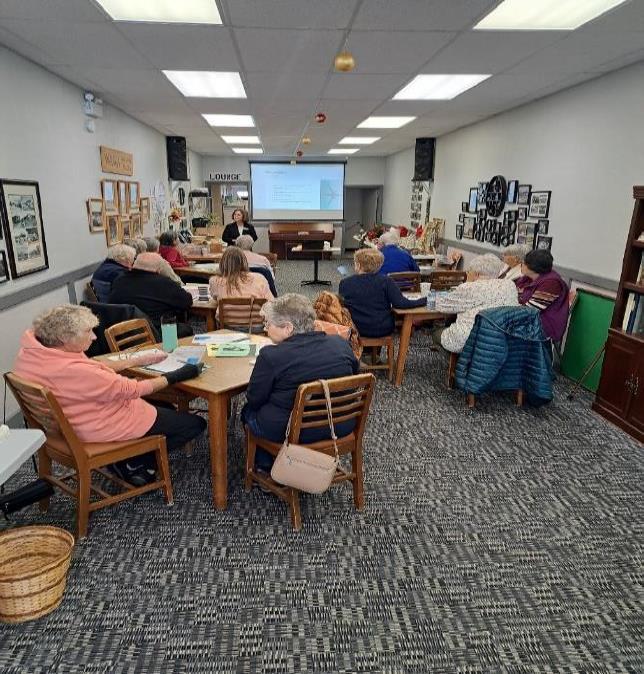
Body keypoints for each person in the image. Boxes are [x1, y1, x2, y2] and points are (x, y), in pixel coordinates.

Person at [12, 304, 206, 486]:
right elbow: (133, 390)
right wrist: (176, 375)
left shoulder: (34, 354)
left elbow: (92, 364)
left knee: (166, 408)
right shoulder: (77, 372)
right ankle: (133, 461)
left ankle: (132, 456)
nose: (94, 337)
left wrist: (138, 359)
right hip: (97, 425)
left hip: (65, 423)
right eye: (88, 332)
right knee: (194, 424)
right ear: (65, 338)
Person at [241, 294, 360, 471]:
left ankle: (267, 466)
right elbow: (354, 379)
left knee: (247, 412)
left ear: (288, 328)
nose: (266, 328)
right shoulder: (340, 345)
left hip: (290, 430)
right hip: (340, 424)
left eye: (269, 323)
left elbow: (255, 399)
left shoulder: (271, 356)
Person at [435, 254, 519, 353]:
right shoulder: (510, 285)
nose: (467, 273)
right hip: (503, 339)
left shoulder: (470, 287)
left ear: (477, 274)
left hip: (470, 339)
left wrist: (465, 284)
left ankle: (456, 363)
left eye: (469, 271)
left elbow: (441, 306)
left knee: (436, 333)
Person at [339, 248, 426, 338]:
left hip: (355, 327)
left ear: (358, 265)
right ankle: (375, 350)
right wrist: (423, 300)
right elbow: (400, 304)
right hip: (381, 328)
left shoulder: (345, 283)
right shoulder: (386, 281)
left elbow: (343, 307)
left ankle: (365, 350)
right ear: (379, 265)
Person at [108, 252, 194, 337]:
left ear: (134, 264)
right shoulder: (163, 283)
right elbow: (186, 302)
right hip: (157, 333)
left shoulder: (118, 280)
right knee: (186, 328)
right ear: (159, 269)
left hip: (122, 333)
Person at [516, 249, 569, 342]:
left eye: (523, 263)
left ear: (532, 267)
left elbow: (531, 310)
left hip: (543, 326)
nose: (521, 264)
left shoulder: (551, 283)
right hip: (528, 320)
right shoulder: (528, 278)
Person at [209, 246, 273, 303]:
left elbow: (214, 298)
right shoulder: (259, 278)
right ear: (244, 261)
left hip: (227, 315)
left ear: (222, 262)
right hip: (254, 315)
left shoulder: (215, 281)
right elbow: (271, 301)